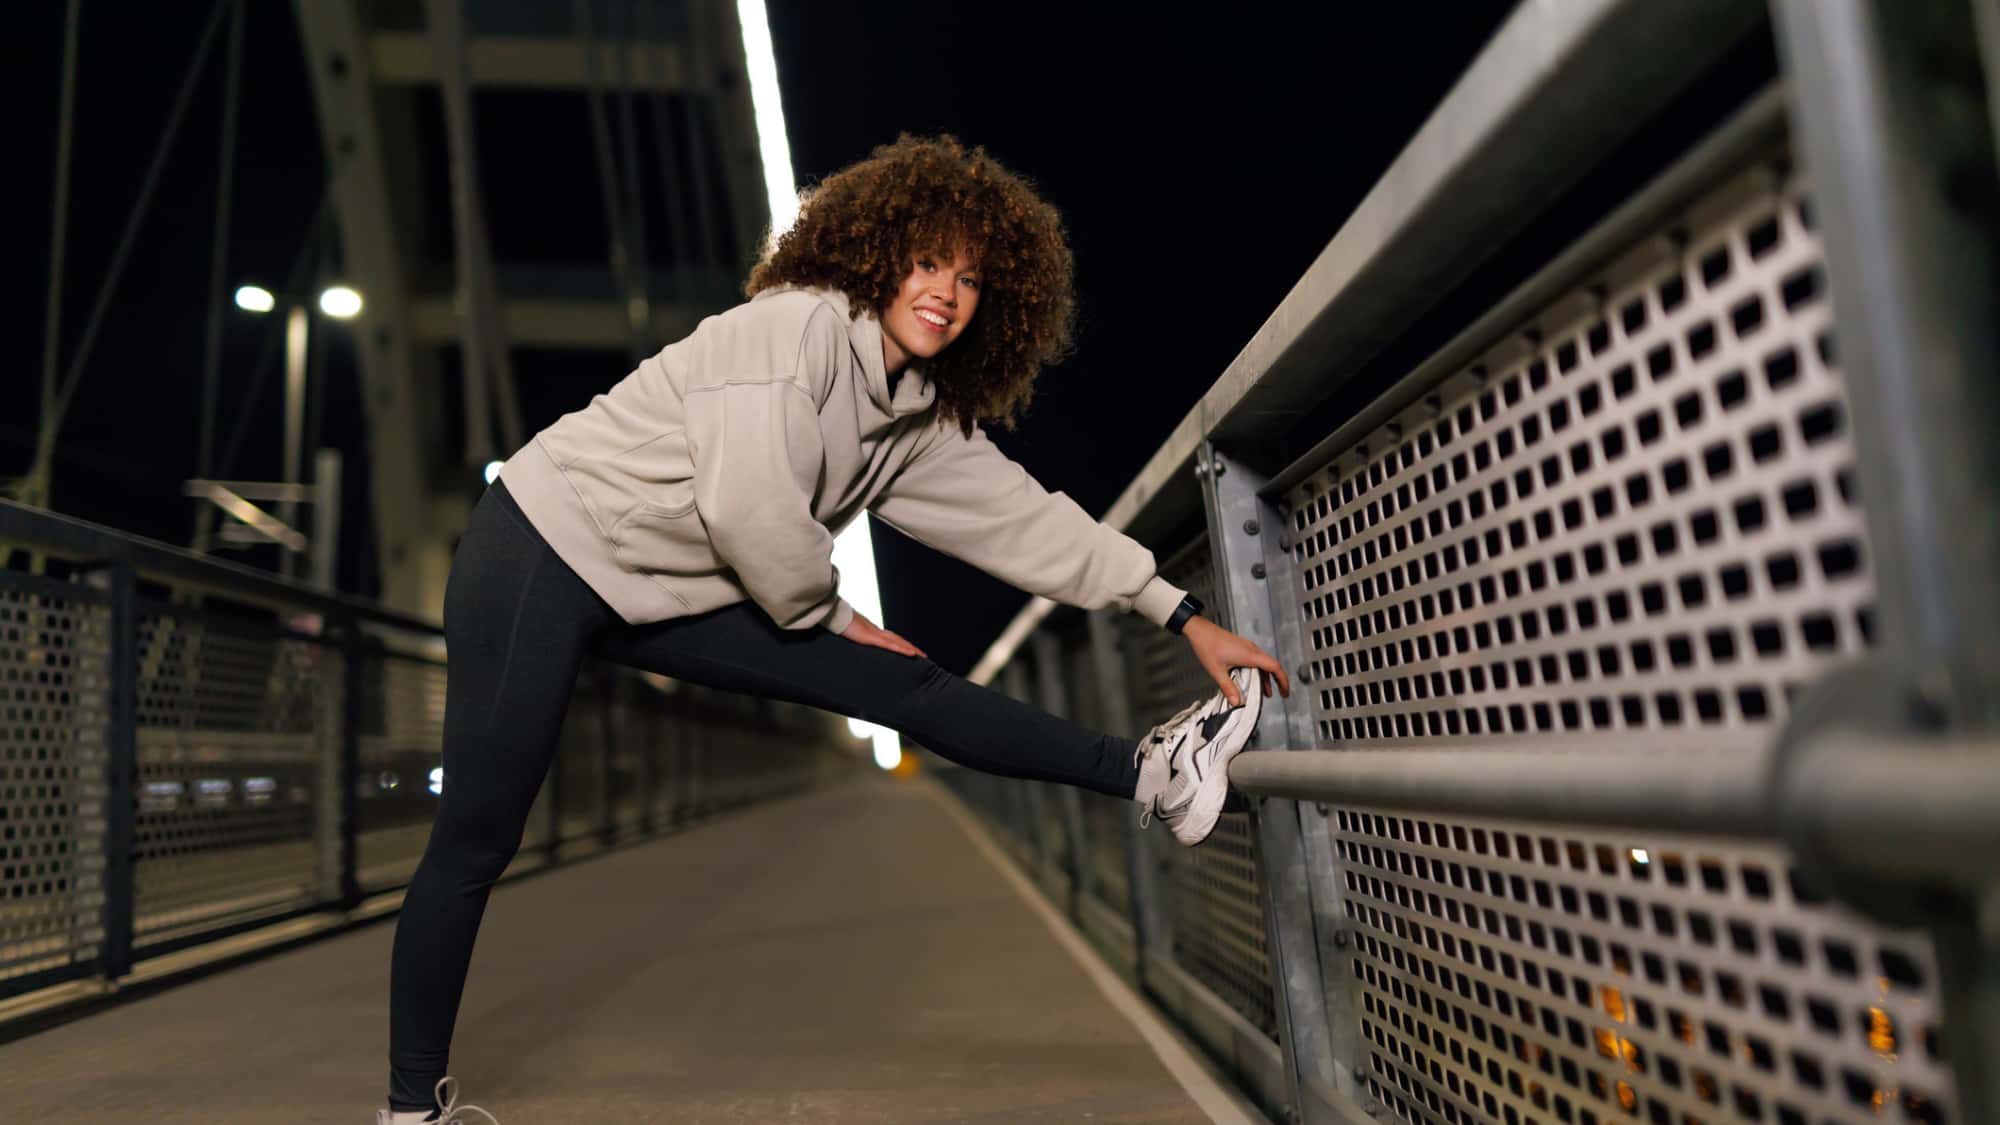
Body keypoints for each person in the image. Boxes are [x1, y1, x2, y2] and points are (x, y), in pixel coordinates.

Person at [377, 135, 1291, 1124]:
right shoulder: (793, 334)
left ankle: (1150, 773)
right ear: (874, 250)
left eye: (972, 277)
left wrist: (1178, 610)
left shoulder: (911, 413)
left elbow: (1024, 520)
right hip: (541, 551)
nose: (946, 290)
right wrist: (836, 616)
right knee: (476, 835)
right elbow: (748, 510)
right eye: (927, 260)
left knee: (898, 680)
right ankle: (409, 1108)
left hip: (663, 587)